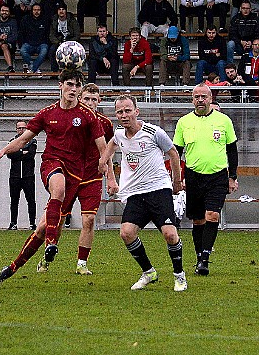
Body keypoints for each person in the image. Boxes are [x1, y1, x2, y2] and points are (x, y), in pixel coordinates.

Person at [0, 69, 109, 285]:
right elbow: (24, 138)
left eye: (77, 86)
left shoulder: (88, 116)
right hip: (52, 164)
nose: (73, 89)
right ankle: (51, 244)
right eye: (69, 84)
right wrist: (3, 151)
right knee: (58, 188)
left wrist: (109, 176)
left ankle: (11, 268)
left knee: (42, 228)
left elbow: (104, 148)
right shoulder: (47, 114)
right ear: (60, 86)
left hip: (77, 174)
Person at [98, 94, 187, 292]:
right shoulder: (120, 133)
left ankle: (179, 276)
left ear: (136, 112)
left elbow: (173, 153)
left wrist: (176, 181)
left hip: (158, 189)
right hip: (135, 193)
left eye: (127, 110)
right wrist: (103, 160)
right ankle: (148, 272)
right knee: (126, 233)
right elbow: (111, 144)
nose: (124, 115)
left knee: (170, 234)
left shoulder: (153, 132)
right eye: (119, 112)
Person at [37, 83, 116, 275]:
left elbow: (107, 151)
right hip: (70, 175)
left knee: (88, 219)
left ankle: (82, 263)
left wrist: (111, 177)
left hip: (92, 176)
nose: (90, 103)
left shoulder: (106, 124)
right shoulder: (73, 118)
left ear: (100, 101)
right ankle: (48, 253)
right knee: (54, 221)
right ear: (80, 99)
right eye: (86, 99)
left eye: (93, 99)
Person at [174, 83, 238, 276]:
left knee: (213, 216)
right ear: (192, 99)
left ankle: (205, 259)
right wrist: (178, 178)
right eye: (196, 97)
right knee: (198, 220)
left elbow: (232, 150)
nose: (200, 100)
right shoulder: (184, 122)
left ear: (210, 98)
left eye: (204, 96)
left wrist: (232, 177)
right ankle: (199, 256)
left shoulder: (223, 120)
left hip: (218, 175)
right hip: (193, 176)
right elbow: (176, 152)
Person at [7, 121, 37, 230]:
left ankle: (32, 223)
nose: (21, 130)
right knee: (14, 200)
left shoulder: (32, 141)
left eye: (23, 128)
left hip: (28, 176)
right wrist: (22, 152)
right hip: (15, 176)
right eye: (19, 128)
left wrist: (18, 152)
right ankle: (13, 223)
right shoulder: (12, 141)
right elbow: (10, 154)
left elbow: (31, 154)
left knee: (31, 200)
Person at [48, 2, 81, 73]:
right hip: (58, 42)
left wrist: (69, 42)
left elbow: (77, 35)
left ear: (66, 11)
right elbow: (51, 35)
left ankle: (71, 71)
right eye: (59, 9)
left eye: (63, 9)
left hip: (71, 42)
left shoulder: (72, 20)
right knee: (52, 50)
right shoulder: (54, 20)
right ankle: (54, 71)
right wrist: (58, 42)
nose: (61, 11)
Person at [19, 3, 49, 73]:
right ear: (31, 11)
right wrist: (22, 44)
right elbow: (21, 33)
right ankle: (35, 68)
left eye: (38, 10)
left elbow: (48, 34)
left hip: (41, 44)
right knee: (22, 50)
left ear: (41, 11)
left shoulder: (45, 20)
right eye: (35, 10)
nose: (36, 12)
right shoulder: (25, 19)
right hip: (29, 44)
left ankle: (32, 69)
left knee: (44, 51)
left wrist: (46, 42)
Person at [0, 4, 18, 73]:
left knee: (4, 46)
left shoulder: (13, 22)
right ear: (0, 12)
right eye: (3, 10)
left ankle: (10, 67)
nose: (4, 12)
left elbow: (15, 36)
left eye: (6, 11)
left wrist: (5, 40)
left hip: (9, 45)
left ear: (9, 12)